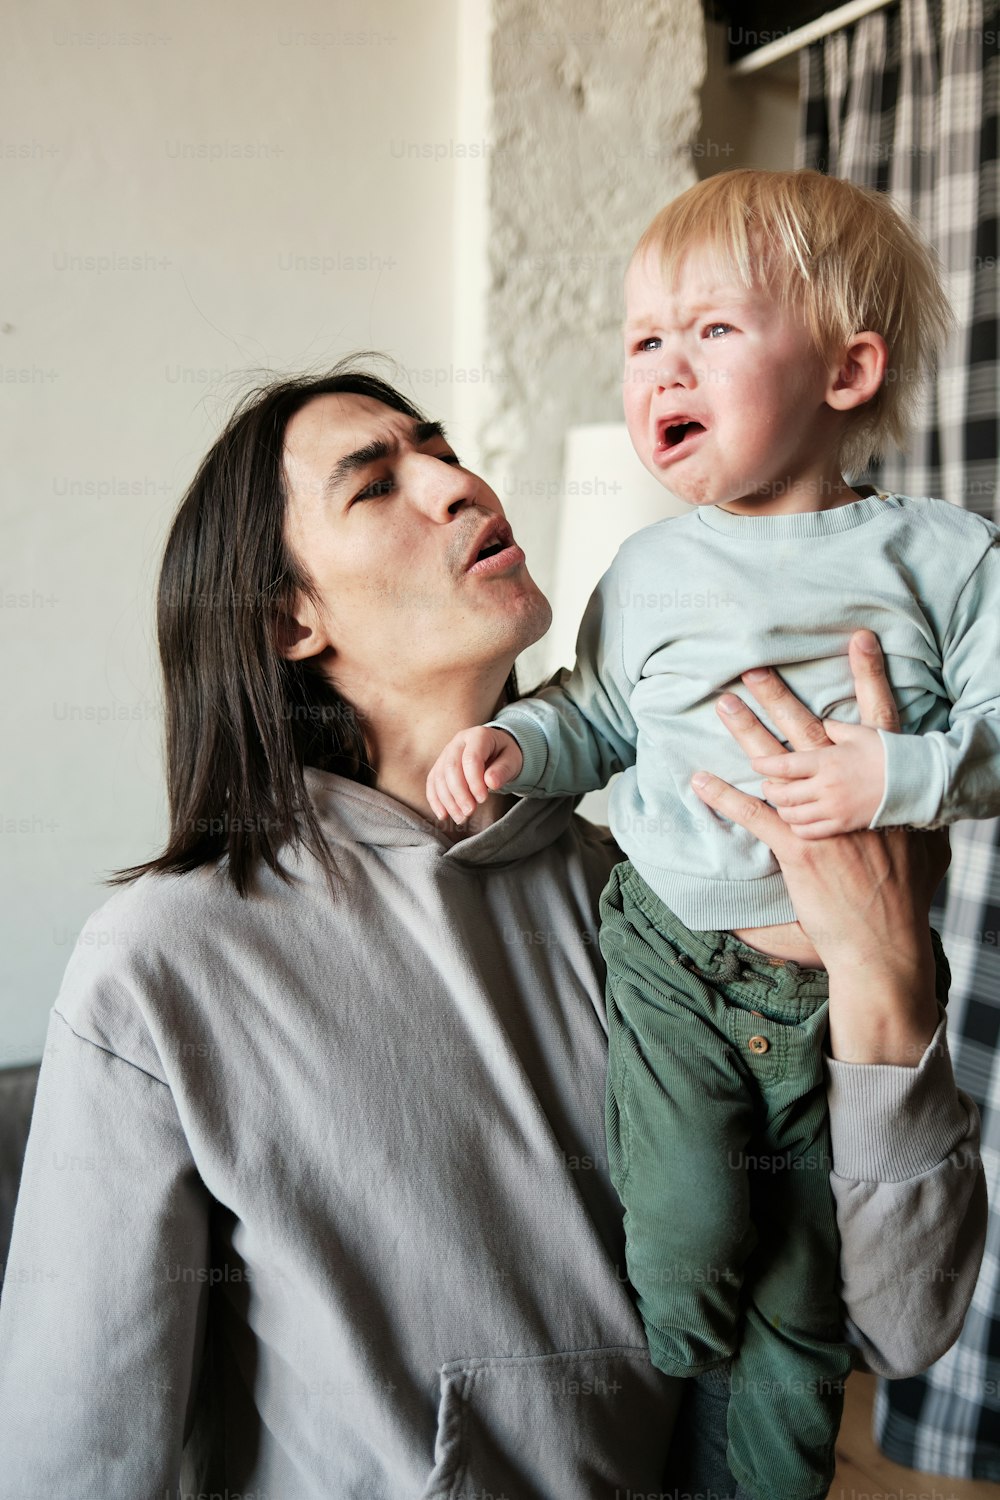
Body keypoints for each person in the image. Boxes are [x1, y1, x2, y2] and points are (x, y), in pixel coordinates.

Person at [0, 366, 986, 1500]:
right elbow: (75, 1453)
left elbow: (898, 1326)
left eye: (442, 446)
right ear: (287, 619)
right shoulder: (162, 966)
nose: (458, 484)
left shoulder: (654, 910)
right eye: (376, 484)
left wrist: (881, 971)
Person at [426, 169, 1000, 1500]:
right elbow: (606, 715)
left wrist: (898, 770)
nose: (661, 367)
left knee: (801, 1315)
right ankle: (668, 1361)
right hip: (677, 954)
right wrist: (523, 748)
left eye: (712, 331)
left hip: (835, 998)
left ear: (850, 369)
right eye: (642, 341)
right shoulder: (650, 571)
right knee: (684, 1236)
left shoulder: (949, 560)